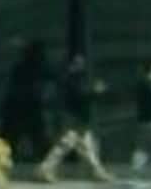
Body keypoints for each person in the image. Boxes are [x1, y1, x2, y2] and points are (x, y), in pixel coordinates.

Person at [37, 55, 113, 183]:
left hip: (77, 120)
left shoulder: (71, 78)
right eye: (78, 63)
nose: (81, 66)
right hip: (73, 119)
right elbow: (80, 96)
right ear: (72, 64)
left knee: (87, 148)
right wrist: (95, 92)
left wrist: (93, 92)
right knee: (66, 145)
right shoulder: (70, 79)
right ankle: (45, 169)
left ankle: (97, 171)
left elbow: (81, 96)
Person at [0, 40, 52, 160]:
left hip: (21, 105)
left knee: (34, 134)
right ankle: (2, 158)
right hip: (24, 105)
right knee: (31, 134)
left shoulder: (23, 67)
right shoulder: (34, 67)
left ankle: (3, 157)